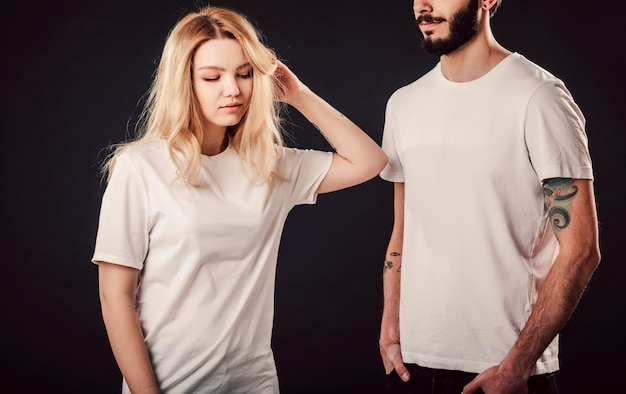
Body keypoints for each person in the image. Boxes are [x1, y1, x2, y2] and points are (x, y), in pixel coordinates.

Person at [91, 5, 387, 394]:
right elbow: (115, 297)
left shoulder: (269, 165)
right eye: (212, 77)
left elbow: (371, 161)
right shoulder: (140, 168)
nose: (232, 89)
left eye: (244, 73)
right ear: (185, 83)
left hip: (254, 382)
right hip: (168, 384)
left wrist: (299, 95)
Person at [378, 0, 600, 393]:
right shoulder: (403, 104)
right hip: (411, 365)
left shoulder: (539, 97)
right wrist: (391, 326)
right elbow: (404, 229)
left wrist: (518, 364)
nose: (423, 7)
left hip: (501, 371)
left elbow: (580, 248)